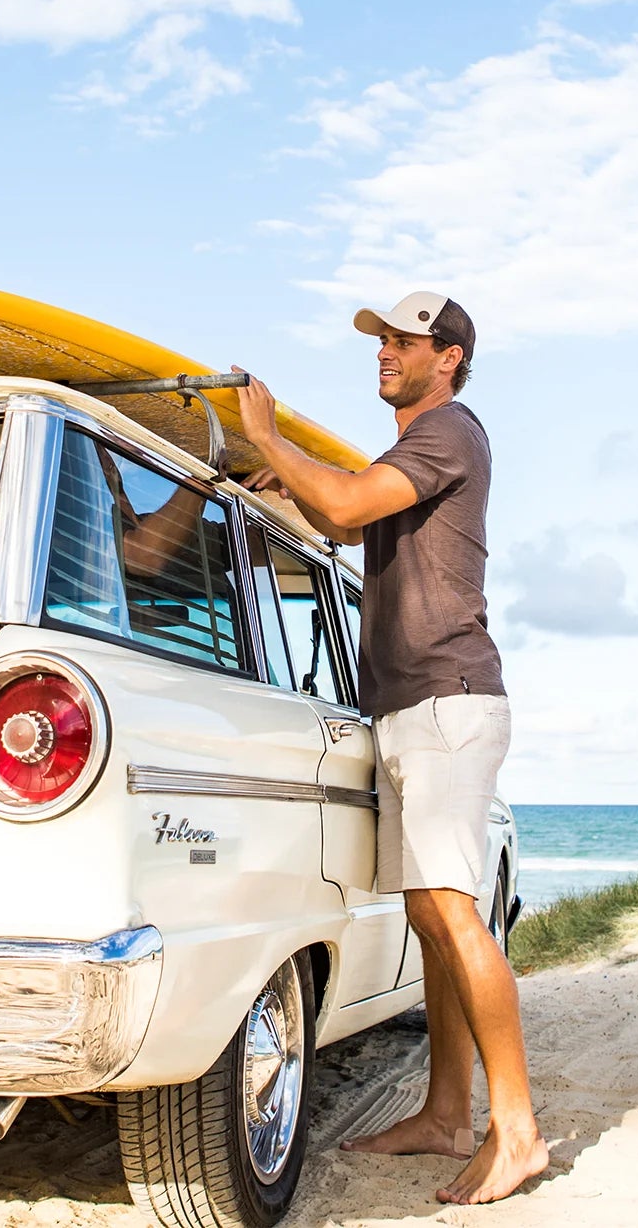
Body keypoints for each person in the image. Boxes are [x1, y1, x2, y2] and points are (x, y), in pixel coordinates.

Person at [236, 292, 548, 1206]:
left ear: (448, 359)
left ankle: (517, 1134)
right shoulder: (410, 454)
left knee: (452, 913)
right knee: (430, 917)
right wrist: (282, 484)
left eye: (406, 341)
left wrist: (268, 436)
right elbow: (341, 514)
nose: (386, 352)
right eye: (383, 340)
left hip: (450, 703)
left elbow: (343, 501)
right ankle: (447, 1112)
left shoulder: (450, 431)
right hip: (411, 708)